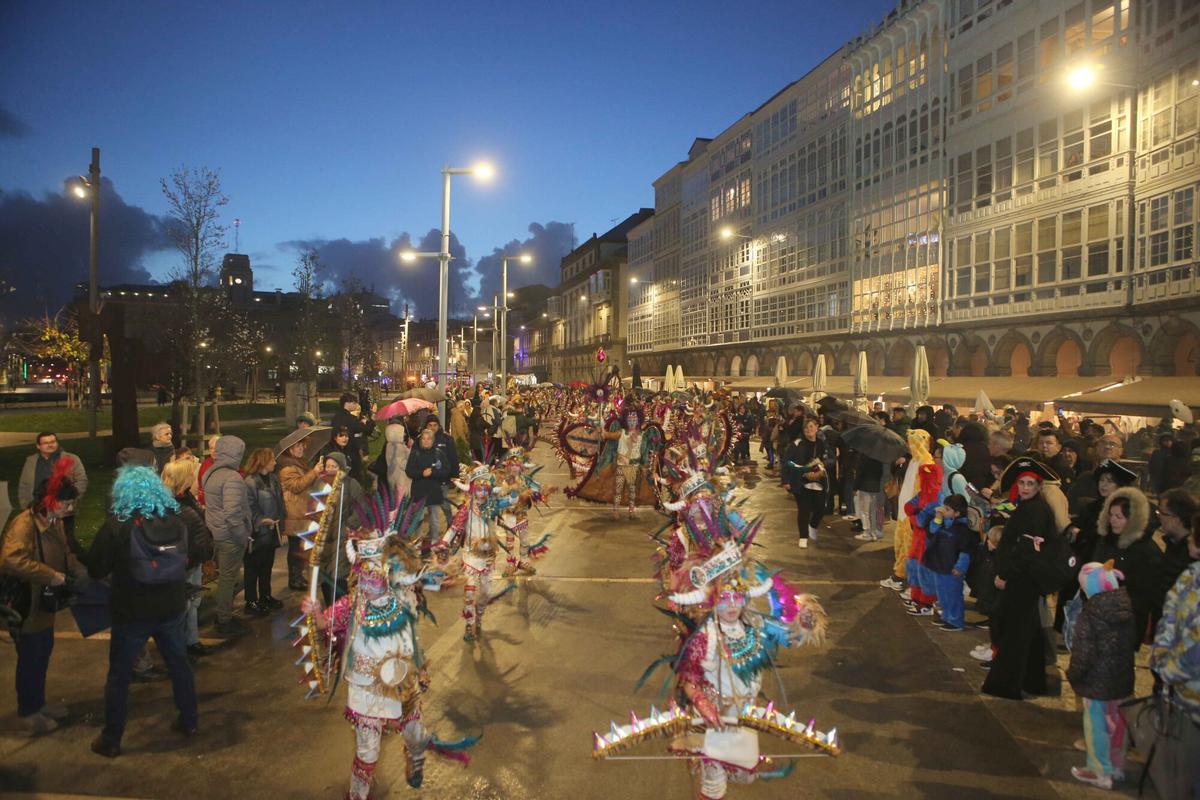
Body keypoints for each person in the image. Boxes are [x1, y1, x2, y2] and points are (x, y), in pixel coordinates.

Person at [87, 465, 205, 758]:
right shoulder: (176, 521)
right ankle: (189, 720)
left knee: (119, 675)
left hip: (132, 611)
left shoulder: (118, 525)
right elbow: (188, 558)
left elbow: (96, 568)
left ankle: (111, 738)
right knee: (179, 665)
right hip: (171, 607)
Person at [0, 463, 85, 735]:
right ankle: (28, 713)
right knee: (31, 658)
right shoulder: (24, 524)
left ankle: (38, 704)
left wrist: (78, 574)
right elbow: (11, 559)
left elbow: (66, 552)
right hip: (27, 603)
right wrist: (51, 575)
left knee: (42, 652)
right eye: (66, 503)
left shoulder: (53, 521)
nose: (70, 508)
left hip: (43, 603)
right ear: (50, 501)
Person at [982, 458, 1062, 700]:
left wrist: (1005, 575)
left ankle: (1006, 684)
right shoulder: (1032, 507)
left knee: (1014, 632)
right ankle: (1033, 681)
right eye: (1022, 483)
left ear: (1039, 486)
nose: (1025, 488)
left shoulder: (1034, 510)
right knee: (1028, 630)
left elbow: (1027, 549)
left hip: (1022, 580)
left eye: (1030, 484)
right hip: (1025, 578)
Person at [1066, 561, 1137, 790]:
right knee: (1117, 724)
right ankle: (1116, 767)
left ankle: (1099, 770)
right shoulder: (1124, 606)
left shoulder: (1092, 613)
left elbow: (1084, 653)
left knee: (1097, 726)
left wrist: (1074, 675)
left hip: (1097, 681)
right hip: (1121, 678)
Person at [1148, 513, 1200, 800]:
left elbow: (1194, 642)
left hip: (1190, 692)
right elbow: (1170, 619)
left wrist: (1167, 668)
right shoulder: (1191, 576)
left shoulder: (1193, 580)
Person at [1092, 486, 1166, 645]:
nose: (1113, 520)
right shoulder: (1106, 541)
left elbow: (1146, 592)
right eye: (1111, 515)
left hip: (1125, 622)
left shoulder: (1146, 551)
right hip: (1099, 615)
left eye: (1118, 517)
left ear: (1133, 519)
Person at [159, 459, 213, 658]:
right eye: (191, 473)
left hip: (193, 558)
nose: (194, 476)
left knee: (193, 602)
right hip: (182, 561)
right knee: (183, 605)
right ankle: (178, 648)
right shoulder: (168, 504)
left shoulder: (186, 497)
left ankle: (192, 641)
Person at [201, 435, 252, 637]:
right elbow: (232, 514)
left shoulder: (210, 473)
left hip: (216, 531)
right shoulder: (232, 478)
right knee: (229, 579)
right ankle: (224, 619)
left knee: (226, 578)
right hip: (230, 537)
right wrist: (243, 536)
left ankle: (224, 615)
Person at [18, 432, 88, 557]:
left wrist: (70, 501)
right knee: (41, 540)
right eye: (46, 443)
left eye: (53, 442)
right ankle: (50, 562)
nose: (50, 445)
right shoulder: (31, 461)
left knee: (67, 540)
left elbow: (82, 481)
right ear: (38, 446)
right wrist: (26, 505)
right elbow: (24, 484)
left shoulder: (71, 458)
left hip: (62, 507)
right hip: (39, 508)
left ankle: (80, 562)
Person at [922, 494, 975, 631]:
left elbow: (965, 551)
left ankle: (956, 621)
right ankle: (946, 616)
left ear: (957, 513)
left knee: (953, 595)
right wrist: (938, 518)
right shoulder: (945, 524)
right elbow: (932, 531)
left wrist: (960, 567)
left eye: (947, 509)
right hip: (940, 565)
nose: (943, 510)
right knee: (942, 594)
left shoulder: (962, 530)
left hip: (951, 569)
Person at [277, 437, 322, 591]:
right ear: (290, 449)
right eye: (298, 446)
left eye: (302, 446)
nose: (302, 448)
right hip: (293, 512)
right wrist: (313, 472)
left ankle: (298, 577)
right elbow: (297, 486)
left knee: (300, 547)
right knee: (295, 547)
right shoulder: (287, 468)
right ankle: (295, 579)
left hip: (300, 510)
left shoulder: (299, 463)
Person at [243, 448, 284, 617]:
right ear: (263, 461)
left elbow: (280, 503)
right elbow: (249, 507)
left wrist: (280, 524)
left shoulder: (273, 479)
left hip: (272, 529)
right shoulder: (250, 482)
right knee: (253, 567)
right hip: (257, 532)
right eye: (272, 459)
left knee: (267, 566)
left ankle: (265, 595)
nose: (275, 462)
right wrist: (260, 521)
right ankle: (251, 600)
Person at [783, 417, 826, 548]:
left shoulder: (822, 444)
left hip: (818, 481)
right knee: (804, 510)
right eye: (806, 428)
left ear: (817, 428)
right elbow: (787, 461)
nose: (808, 430)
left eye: (811, 426)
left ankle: (813, 525)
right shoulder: (797, 443)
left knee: (820, 508)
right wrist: (785, 480)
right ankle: (803, 537)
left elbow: (829, 459)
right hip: (800, 482)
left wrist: (823, 464)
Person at [405, 429, 451, 550]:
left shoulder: (439, 454)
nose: (426, 441)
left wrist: (433, 472)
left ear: (433, 440)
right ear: (420, 440)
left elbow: (446, 471)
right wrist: (422, 473)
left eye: (429, 439)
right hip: (418, 491)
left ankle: (435, 541)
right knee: (417, 518)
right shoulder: (415, 453)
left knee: (434, 518)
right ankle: (418, 541)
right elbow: (409, 471)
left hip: (433, 490)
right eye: (423, 439)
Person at [1157, 489, 1198, 596]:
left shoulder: (1191, 554)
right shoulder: (1172, 543)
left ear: (1176, 518)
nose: (1159, 516)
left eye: (1162, 513)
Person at [330, 392, 375, 479]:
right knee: (353, 476)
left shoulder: (335, 417)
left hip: (337, 450)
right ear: (347, 403)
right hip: (351, 452)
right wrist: (372, 419)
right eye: (354, 403)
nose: (356, 405)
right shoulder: (350, 419)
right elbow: (367, 429)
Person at [382, 422, 412, 500]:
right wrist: (410, 449)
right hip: (401, 477)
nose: (404, 434)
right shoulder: (399, 447)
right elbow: (402, 463)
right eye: (402, 432)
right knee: (401, 499)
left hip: (392, 475)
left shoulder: (389, 445)